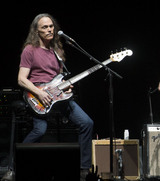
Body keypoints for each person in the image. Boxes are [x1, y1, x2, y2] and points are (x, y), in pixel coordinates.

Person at [2, 13, 94, 181]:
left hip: (56, 95)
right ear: (36, 31)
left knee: (87, 123)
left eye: (51, 26)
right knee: (40, 130)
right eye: (45, 27)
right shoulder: (30, 50)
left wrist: (66, 87)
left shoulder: (57, 51)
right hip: (36, 95)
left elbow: (57, 78)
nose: (50, 30)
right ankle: (14, 167)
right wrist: (39, 92)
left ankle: (83, 170)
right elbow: (21, 79)